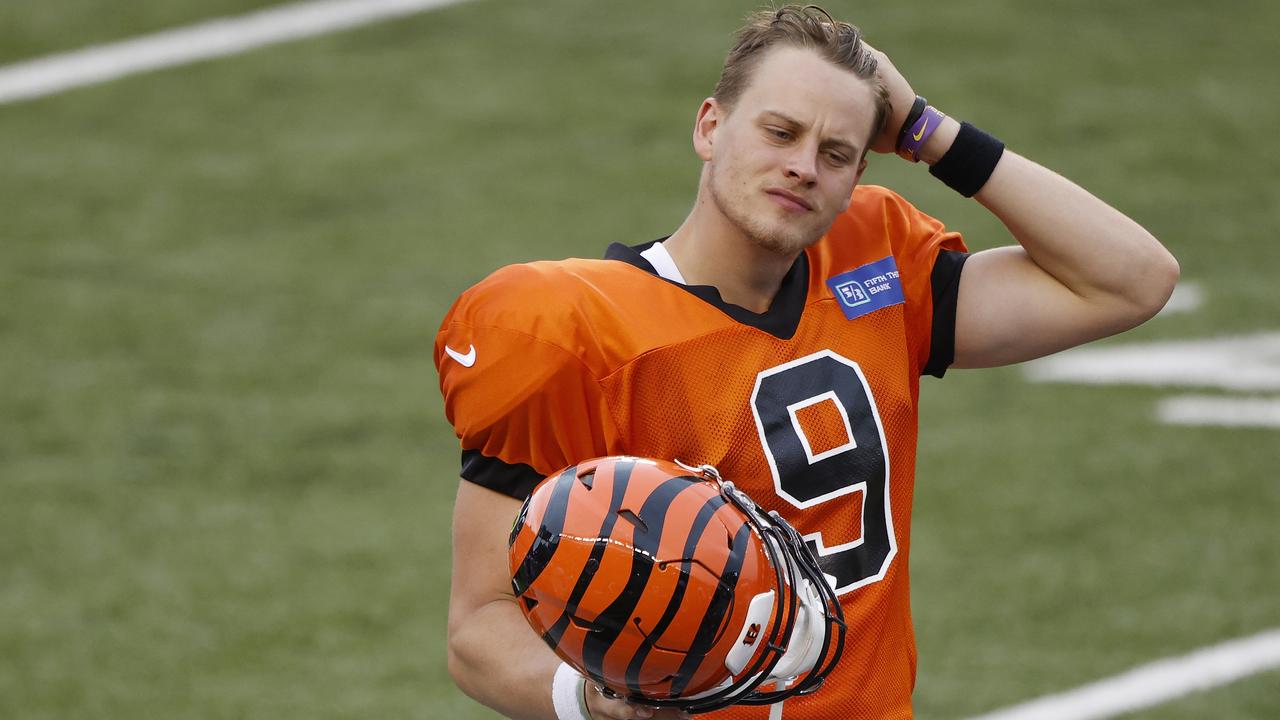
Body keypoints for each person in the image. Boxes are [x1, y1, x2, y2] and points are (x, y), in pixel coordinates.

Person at [434, 6, 1178, 720]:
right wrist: (588, 701)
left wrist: (929, 131)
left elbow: (1130, 280)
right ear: (710, 126)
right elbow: (480, 626)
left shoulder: (873, 264)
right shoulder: (572, 329)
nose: (802, 168)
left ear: (860, 172)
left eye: (835, 153)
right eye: (780, 132)